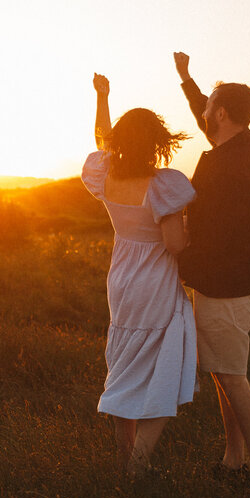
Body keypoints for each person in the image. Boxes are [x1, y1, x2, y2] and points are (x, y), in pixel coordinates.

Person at [83, 73, 197, 476]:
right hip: (155, 283)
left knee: (125, 368)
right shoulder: (164, 185)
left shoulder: (108, 175)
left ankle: (123, 458)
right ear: (156, 143)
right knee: (161, 373)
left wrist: (102, 97)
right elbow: (175, 245)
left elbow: (101, 139)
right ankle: (138, 465)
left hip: (121, 279)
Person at [172, 52, 250, 487]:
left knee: (233, 379)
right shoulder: (245, 143)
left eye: (210, 107)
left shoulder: (227, 168)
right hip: (226, 287)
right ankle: (233, 460)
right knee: (221, 374)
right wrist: (187, 79)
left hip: (226, 291)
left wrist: (181, 261)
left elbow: (227, 234)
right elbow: (205, 115)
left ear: (224, 114)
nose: (204, 113)